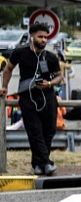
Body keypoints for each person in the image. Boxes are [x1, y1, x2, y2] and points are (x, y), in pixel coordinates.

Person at [0, 22, 64, 175]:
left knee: (49, 131)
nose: (44, 40)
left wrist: (49, 83)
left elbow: (59, 76)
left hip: (48, 97)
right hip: (28, 98)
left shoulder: (50, 57)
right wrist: (4, 86)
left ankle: (38, 164)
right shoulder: (19, 52)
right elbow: (8, 69)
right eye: (40, 37)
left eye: (46, 37)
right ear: (32, 36)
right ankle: (46, 163)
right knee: (35, 132)